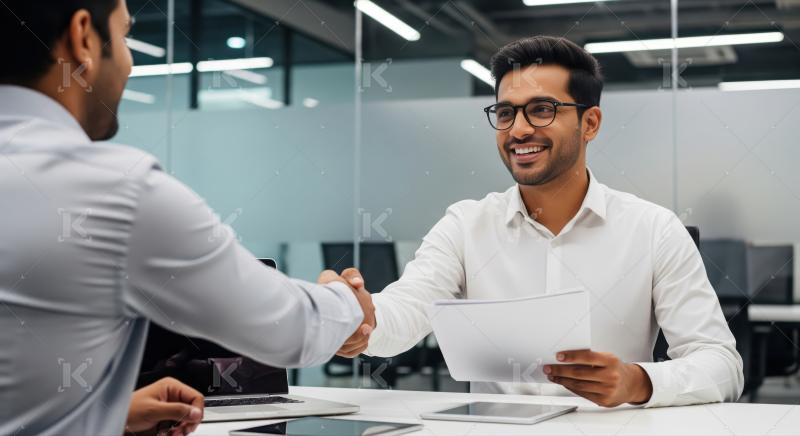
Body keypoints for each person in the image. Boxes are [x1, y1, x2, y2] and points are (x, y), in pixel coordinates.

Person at [0, 1, 374, 434]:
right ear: (83, 37)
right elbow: (291, 328)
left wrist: (105, 412)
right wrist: (344, 298)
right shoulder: (114, 191)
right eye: (124, 37)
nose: (129, 64)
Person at [333, 36, 744, 408]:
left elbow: (721, 364)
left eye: (542, 110)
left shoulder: (653, 229)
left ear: (590, 123)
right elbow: (408, 308)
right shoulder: (465, 223)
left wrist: (636, 382)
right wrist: (364, 320)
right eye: (506, 112)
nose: (519, 129)